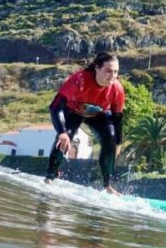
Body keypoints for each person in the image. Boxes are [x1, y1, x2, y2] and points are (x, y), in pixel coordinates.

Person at [44, 52, 125, 194]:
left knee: (110, 139)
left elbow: (117, 118)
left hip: (99, 115)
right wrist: (62, 133)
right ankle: (50, 177)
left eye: (116, 72)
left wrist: (118, 143)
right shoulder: (79, 80)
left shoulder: (117, 88)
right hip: (73, 112)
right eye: (108, 71)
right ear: (97, 68)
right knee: (64, 137)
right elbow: (55, 106)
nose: (112, 76)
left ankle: (107, 185)